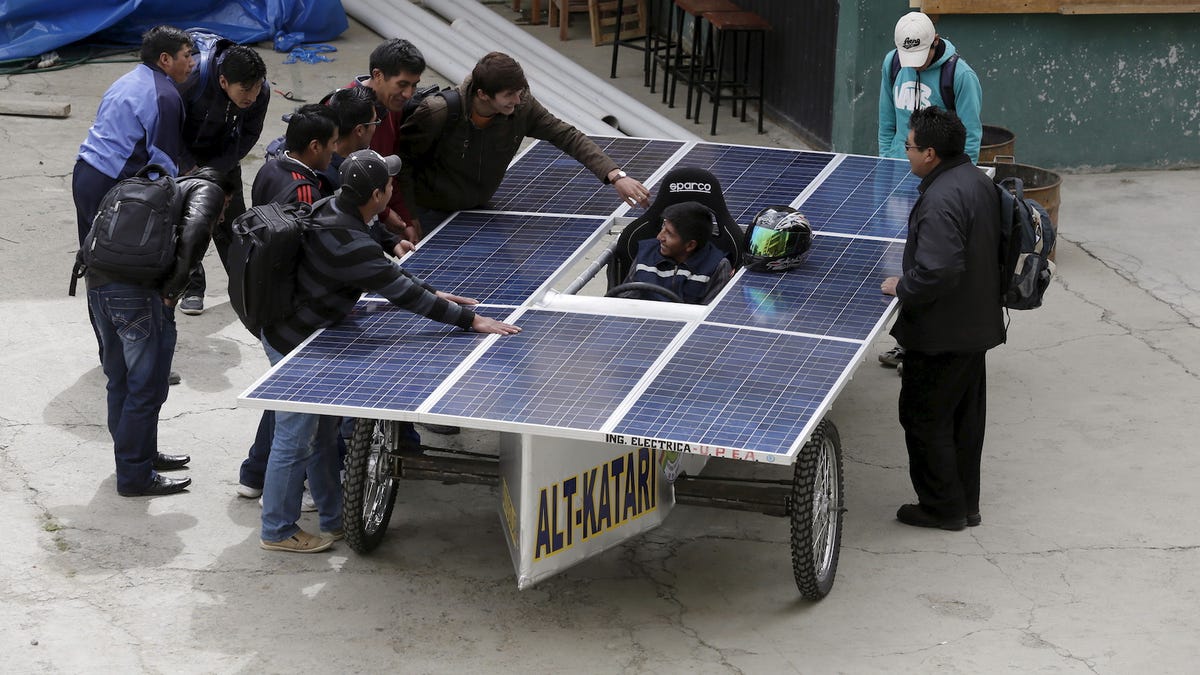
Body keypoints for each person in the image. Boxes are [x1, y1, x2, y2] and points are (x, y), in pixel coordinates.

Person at [257, 149, 521, 553]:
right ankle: (276, 530)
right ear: (378, 194)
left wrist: (431, 290)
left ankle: (332, 519)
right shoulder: (347, 241)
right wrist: (472, 321)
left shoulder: (337, 208)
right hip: (291, 340)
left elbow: (389, 272)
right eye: (390, 183)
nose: (394, 187)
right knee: (296, 438)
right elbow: (398, 291)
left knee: (323, 433)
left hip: (308, 332)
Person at [880, 107, 1004, 531]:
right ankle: (966, 504)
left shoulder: (940, 198)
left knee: (924, 417)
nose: (907, 152)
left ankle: (942, 507)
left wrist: (904, 287)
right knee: (964, 420)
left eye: (910, 146)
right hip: (977, 324)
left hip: (941, 333)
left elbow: (939, 268)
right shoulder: (975, 181)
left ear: (931, 153)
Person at [397, 51, 652, 230]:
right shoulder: (439, 112)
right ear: (483, 94)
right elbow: (403, 164)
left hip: (478, 208)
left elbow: (566, 135)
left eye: (520, 92)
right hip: (430, 213)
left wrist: (615, 175)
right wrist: (409, 217)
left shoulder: (521, 108)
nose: (517, 100)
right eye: (509, 95)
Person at [87, 170, 226, 497]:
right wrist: (171, 293)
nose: (221, 219)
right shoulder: (209, 191)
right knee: (146, 388)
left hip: (97, 286)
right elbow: (194, 237)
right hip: (135, 296)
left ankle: (139, 457)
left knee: (119, 380)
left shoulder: (151, 189)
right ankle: (135, 475)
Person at [877, 11, 984, 372]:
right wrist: (886, 167)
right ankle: (907, 341)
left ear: (934, 41)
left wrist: (954, 187)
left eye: (920, 57)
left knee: (930, 263)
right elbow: (886, 123)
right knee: (901, 260)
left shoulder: (961, 76)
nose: (914, 65)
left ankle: (922, 346)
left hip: (939, 185)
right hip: (899, 177)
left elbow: (970, 136)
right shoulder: (893, 63)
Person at [175, 31, 271, 315]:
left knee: (233, 225)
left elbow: (250, 133)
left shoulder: (259, 91)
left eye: (256, 89)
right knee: (187, 224)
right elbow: (167, 125)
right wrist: (189, 168)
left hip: (224, 154)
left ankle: (242, 285)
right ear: (223, 81)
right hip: (185, 155)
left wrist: (218, 169)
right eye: (245, 91)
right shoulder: (192, 80)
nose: (252, 97)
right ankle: (191, 286)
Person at [72, 25, 194, 247]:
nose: (192, 63)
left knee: (93, 257)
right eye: (186, 56)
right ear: (165, 59)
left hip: (84, 174)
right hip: (110, 185)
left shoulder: (127, 80)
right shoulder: (165, 97)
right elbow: (162, 166)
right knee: (120, 263)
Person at [351, 38, 428, 249]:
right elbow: (350, 181)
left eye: (414, 85)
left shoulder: (392, 106)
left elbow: (391, 168)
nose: (408, 94)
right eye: (402, 84)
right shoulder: (347, 112)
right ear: (378, 75)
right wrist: (385, 214)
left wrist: (405, 216)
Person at [618, 201, 732, 304]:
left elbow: (711, 316)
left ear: (690, 245)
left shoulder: (718, 267)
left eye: (669, 233)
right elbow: (625, 301)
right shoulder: (645, 254)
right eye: (663, 227)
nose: (659, 237)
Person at [250, 104, 339, 207]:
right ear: (315, 147)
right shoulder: (304, 193)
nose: (335, 149)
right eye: (334, 142)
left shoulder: (268, 167)